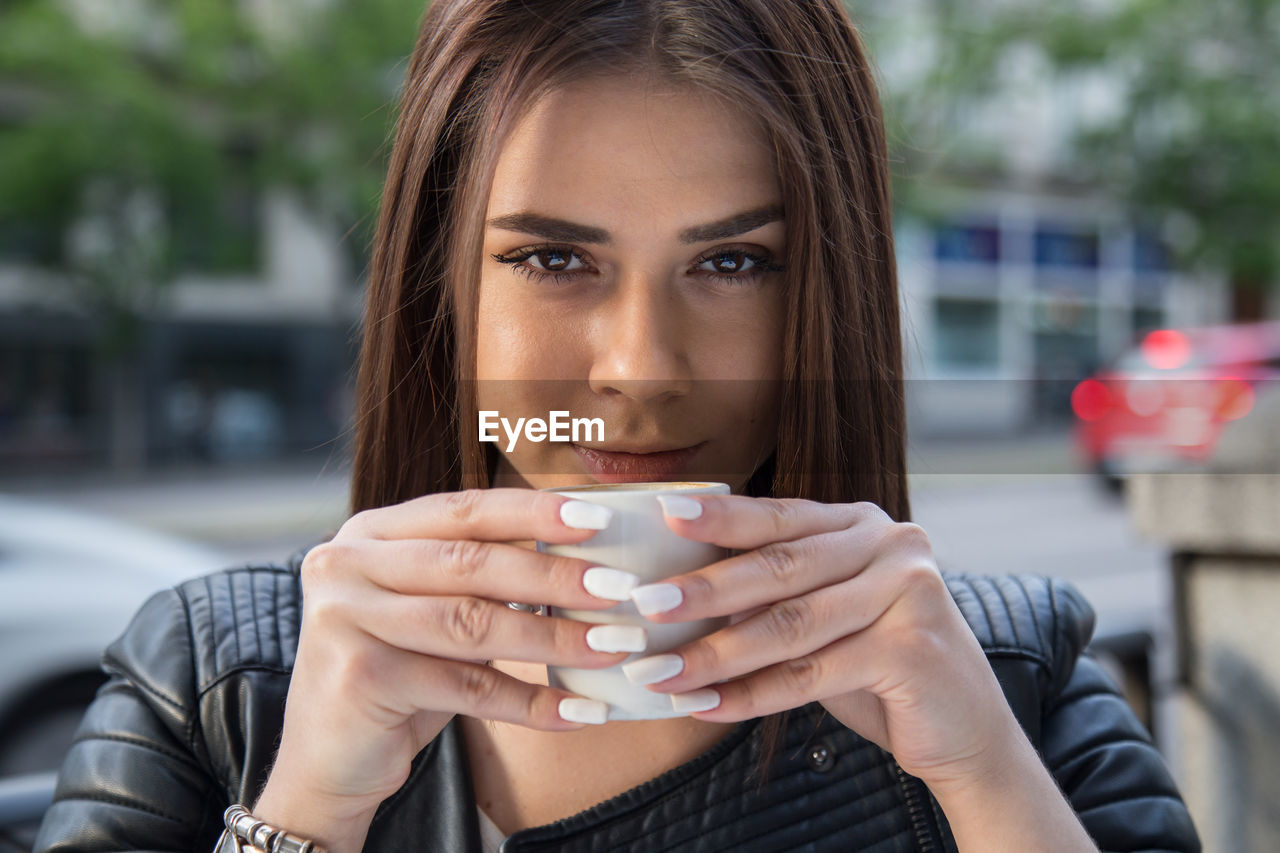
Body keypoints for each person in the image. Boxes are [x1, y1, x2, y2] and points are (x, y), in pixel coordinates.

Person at [34, 1, 1200, 851]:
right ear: (441, 292)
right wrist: (304, 816)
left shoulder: (1012, 678)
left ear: (828, 294)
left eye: (734, 262)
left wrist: (983, 778)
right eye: (552, 258)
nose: (640, 368)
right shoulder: (217, 684)